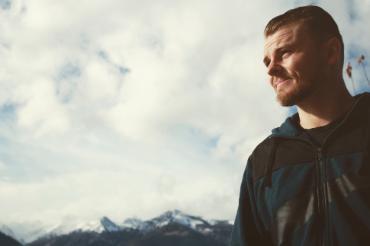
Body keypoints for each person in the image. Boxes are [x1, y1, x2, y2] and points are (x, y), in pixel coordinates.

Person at [230, 5, 370, 246]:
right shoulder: (263, 161)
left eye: (284, 53)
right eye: (267, 62)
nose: (271, 69)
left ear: (331, 53)